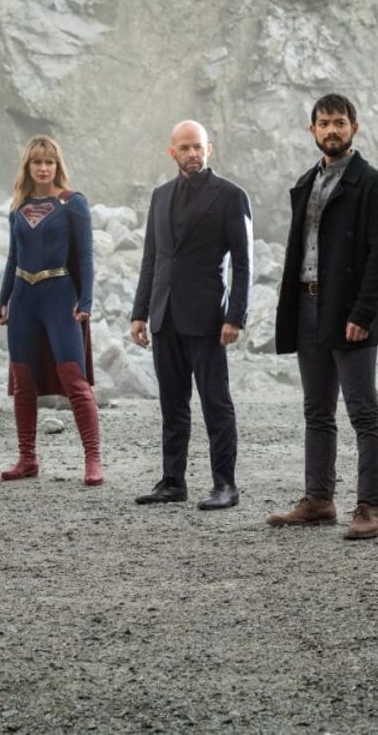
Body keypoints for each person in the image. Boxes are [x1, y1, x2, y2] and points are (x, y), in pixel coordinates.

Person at [267, 94, 378, 538]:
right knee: (317, 410)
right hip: (308, 306)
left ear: (354, 128)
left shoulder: (372, 184)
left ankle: (370, 508)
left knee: (363, 411)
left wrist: (364, 313)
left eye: (340, 122)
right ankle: (319, 499)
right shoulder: (307, 182)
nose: (331, 130)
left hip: (349, 312)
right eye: (324, 123)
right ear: (312, 130)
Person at [131, 120, 252, 510]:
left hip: (208, 318)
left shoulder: (231, 196)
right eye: (184, 148)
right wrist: (139, 313)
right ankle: (172, 481)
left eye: (198, 146)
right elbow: (152, 258)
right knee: (172, 404)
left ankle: (225, 485)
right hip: (164, 315)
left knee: (216, 403)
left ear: (209, 149)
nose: (192, 154)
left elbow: (244, 263)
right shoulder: (160, 196)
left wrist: (235, 316)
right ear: (173, 153)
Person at [0, 135, 102, 487]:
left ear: (57, 166)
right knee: (23, 381)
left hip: (60, 295)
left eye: (49, 162)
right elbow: (13, 257)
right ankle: (27, 458)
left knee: (75, 379)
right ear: (27, 167)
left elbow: (85, 255)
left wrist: (86, 300)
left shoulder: (72, 203)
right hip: (24, 299)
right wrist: (3, 299)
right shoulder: (18, 207)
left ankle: (93, 459)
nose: (43, 168)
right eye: (37, 162)